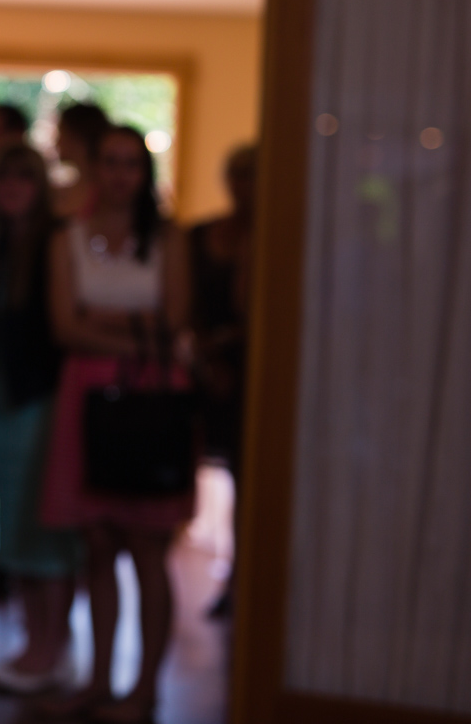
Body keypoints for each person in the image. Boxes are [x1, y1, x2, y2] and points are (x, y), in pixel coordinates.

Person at [35, 125, 192, 723]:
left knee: (149, 548)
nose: (121, 173)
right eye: (111, 162)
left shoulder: (169, 239)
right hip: (86, 395)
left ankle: (146, 690)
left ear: (145, 173)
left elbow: (174, 322)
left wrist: (100, 319)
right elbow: (64, 328)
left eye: (132, 163)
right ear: (95, 168)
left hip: (154, 396)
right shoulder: (68, 239)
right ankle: (100, 680)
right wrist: (136, 324)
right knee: (96, 545)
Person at [0, 143, 78, 695]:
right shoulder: (1, 240)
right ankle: (38, 646)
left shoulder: (53, 241)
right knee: (17, 527)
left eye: (25, 178)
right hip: (5, 399)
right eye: (5, 177)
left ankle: (51, 651)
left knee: (44, 532)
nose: (13, 187)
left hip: (39, 403)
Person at [189, 143, 255, 618]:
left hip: (253, 376)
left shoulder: (277, 239)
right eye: (239, 175)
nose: (245, 186)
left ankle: (244, 579)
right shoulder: (199, 237)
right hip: (197, 371)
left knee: (248, 479)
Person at [50, 101, 110, 219]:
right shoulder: (68, 191)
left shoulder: (104, 193)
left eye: (61, 133)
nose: (56, 143)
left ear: (77, 137)